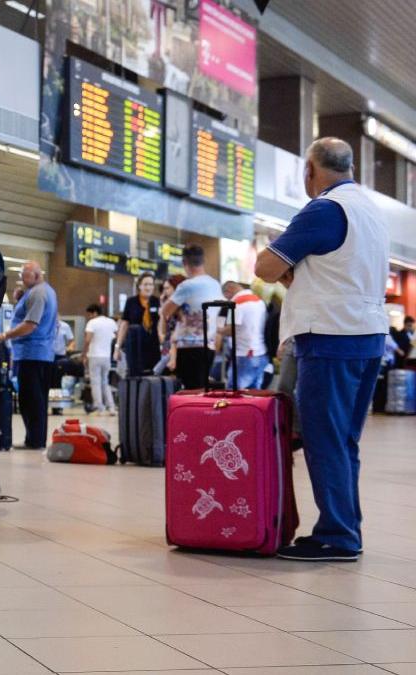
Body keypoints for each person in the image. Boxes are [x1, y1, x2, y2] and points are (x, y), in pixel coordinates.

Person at [255, 137, 390, 562]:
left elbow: (265, 267)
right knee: (344, 440)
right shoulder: (369, 210)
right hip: (368, 335)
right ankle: (346, 529)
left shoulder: (325, 209)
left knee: (324, 438)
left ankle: (337, 536)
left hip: (331, 337)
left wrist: (290, 270)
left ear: (310, 171)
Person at [0, 262, 59, 450]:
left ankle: (35, 440)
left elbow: (30, 325)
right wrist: (21, 298)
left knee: (31, 400)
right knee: (35, 399)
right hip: (40, 354)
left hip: (32, 354)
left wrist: (5, 335)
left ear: (37, 275)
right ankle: (35, 439)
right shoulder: (45, 291)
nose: (22, 280)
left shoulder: (38, 294)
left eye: (26, 276)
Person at [160, 245, 223, 390]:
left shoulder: (187, 286)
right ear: (203, 261)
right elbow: (221, 313)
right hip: (209, 346)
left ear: (184, 263)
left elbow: (165, 311)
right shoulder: (215, 284)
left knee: (190, 391)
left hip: (189, 347)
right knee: (201, 389)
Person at [218, 281, 268, 389]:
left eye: (227, 296)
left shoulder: (237, 303)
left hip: (244, 353)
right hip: (260, 352)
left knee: (235, 390)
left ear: (229, 290)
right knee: (254, 391)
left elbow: (231, 329)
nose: (228, 300)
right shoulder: (259, 301)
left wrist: (219, 330)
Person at [116, 272, 161, 377]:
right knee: (135, 374)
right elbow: (124, 324)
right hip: (135, 344)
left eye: (151, 284)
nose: (148, 287)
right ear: (139, 286)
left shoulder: (157, 302)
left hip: (153, 345)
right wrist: (117, 347)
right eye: (145, 284)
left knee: (152, 375)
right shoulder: (131, 302)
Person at [82, 304, 117, 415]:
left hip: (94, 355)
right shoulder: (111, 322)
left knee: (95, 382)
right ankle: (111, 407)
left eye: (90, 314)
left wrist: (84, 354)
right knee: (105, 382)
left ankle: (100, 407)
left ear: (95, 313)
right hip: (106, 356)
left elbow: (88, 340)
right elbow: (115, 337)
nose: (89, 317)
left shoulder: (92, 323)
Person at [153, 274, 184, 375]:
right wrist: (163, 312)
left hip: (179, 351)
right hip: (167, 349)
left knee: (157, 373)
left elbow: (176, 335)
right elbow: (162, 335)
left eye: (167, 288)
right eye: (164, 289)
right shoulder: (168, 309)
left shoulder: (183, 308)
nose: (165, 292)